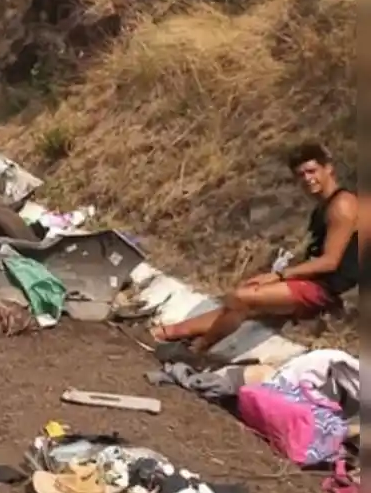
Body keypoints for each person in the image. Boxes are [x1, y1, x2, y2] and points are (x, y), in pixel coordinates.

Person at [152, 142, 359, 356]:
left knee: (243, 298)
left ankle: (198, 351)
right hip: (314, 283)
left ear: (328, 168)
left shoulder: (342, 205)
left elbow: (330, 261)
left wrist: (278, 276)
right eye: (301, 174)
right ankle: (169, 332)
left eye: (312, 171)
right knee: (239, 302)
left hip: (324, 290)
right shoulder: (323, 206)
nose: (307, 179)